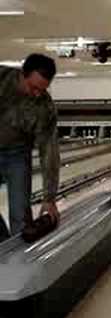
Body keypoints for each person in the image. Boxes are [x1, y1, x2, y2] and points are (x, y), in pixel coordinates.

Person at [0, 54, 60, 241]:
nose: (38, 94)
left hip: (17, 154)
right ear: (22, 75)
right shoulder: (2, 79)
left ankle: (20, 258)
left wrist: (49, 198)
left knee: (20, 213)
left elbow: (49, 151)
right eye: (33, 88)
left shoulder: (45, 108)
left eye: (43, 90)